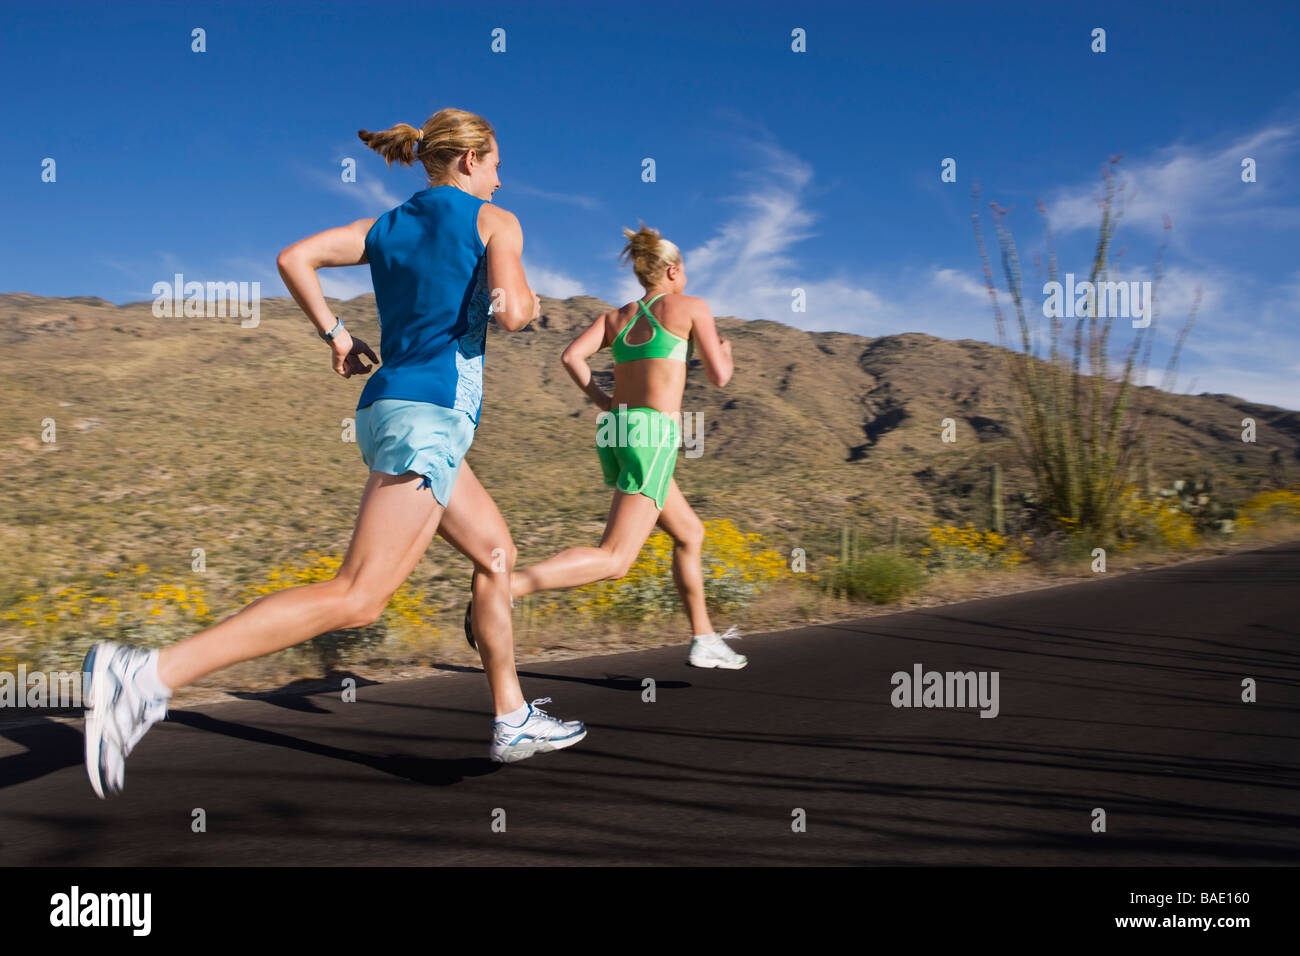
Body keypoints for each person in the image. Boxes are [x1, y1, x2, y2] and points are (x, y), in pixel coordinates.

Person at [82, 108, 586, 798]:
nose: (501, 176)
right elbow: (518, 313)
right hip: (428, 419)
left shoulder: (383, 226)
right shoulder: (495, 221)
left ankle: (512, 715)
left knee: (495, 551)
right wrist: (512, 288)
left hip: (389, 410)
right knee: (359, 597)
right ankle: (145, 675)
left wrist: (339, 336)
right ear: (468, 160)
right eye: (496, 161)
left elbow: (295, 258)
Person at [465, 224, 747, 669]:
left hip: (618, 429)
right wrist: (725, 352)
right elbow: (719, 376)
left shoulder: (616, 317)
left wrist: (603, 400)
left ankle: (704, 637)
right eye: (684, 268)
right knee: (615, 558)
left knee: (690, 533)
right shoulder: (691, 307)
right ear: (672, 270)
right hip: (653, 435)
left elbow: (571, 357)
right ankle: (505, 589)